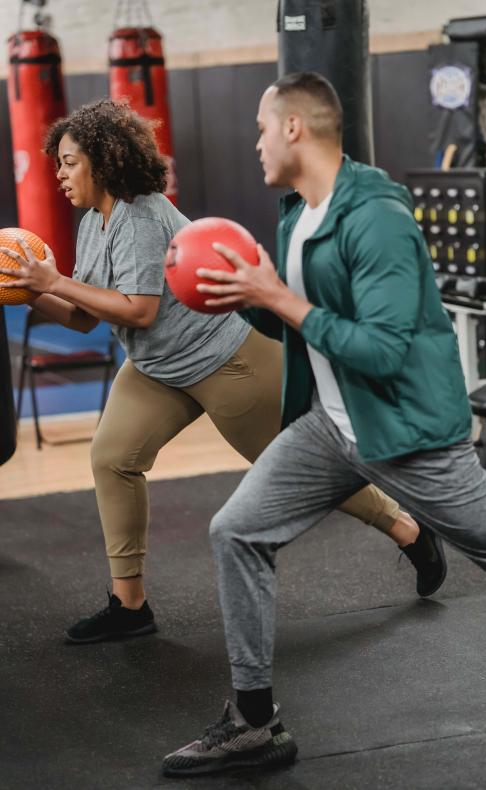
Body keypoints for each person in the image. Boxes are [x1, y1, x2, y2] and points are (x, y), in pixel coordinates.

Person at [161, 71, 486, 778]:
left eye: (262, 127)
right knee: (237, 530)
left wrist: (278, 298)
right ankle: (254, 724)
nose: (255, 142)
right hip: (330, 428)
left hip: (408, 435)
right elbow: (302, 324)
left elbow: (382, 351)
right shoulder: (298, 214)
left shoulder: (376, 216)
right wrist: (243, 296)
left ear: (295, 127)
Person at [0, 98, 445, 645]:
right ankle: (130, 605)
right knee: (112, 458)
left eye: (68, 162)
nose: (60, 175)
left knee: (305, 472)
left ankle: (408, 528)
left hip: (226, 361)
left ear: (101, 160)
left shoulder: (141, 214)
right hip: (157, 367)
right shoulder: (94, 224)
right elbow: (79, 317)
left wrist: (53, 282)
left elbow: (138, 309)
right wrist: (25, 293)